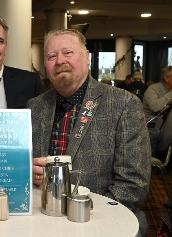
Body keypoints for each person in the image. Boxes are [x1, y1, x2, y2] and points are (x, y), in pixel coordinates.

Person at [28, 29, 151, 236]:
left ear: (86, 57)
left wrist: (79, 210)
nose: (59, 61)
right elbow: (23, 169)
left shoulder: (123, 104)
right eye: (51, 56)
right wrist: (28, 174)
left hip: (103, 220)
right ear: (45, 66)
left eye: (68, 53)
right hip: (44, 217)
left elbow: (133, 184)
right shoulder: (34, 107)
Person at [143, 66, 172, 156]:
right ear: (167, 78)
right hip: (152, 129)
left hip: (165, 129)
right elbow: (155, 107)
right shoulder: (152, 89)